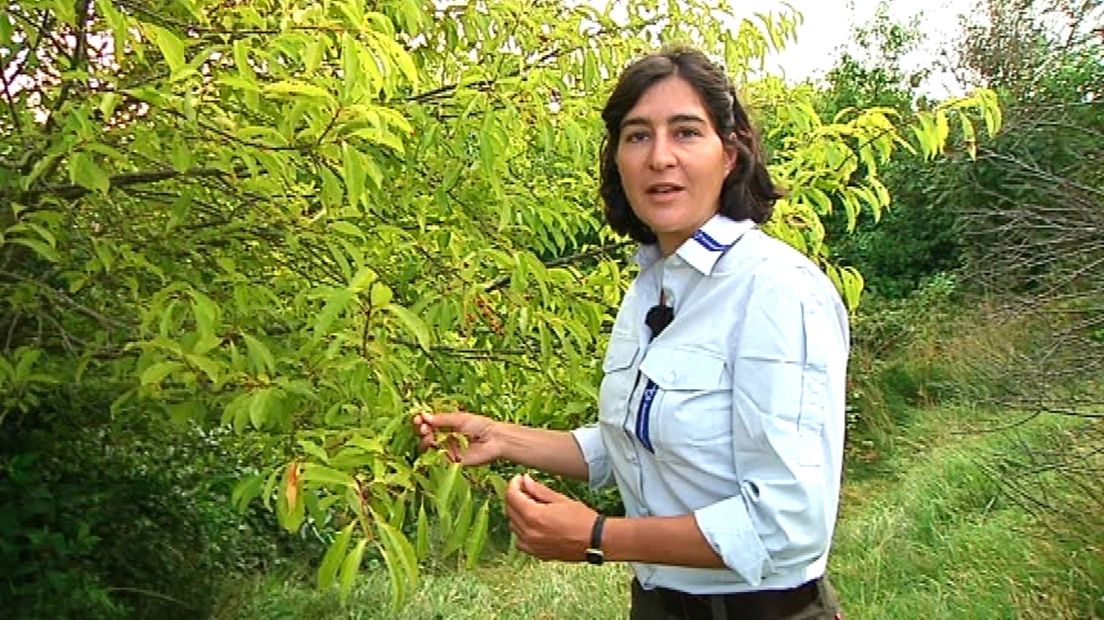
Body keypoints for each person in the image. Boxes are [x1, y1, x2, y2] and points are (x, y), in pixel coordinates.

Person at [412, 47, 849, 620]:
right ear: (616, 158)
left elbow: (788, 525)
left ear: (730, 152)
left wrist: (598, 536)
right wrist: (501, 437)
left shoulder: (777, 291)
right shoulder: (654, 287)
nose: (659, 157)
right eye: (637, 136)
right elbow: (652, 443)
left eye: (686, 132)